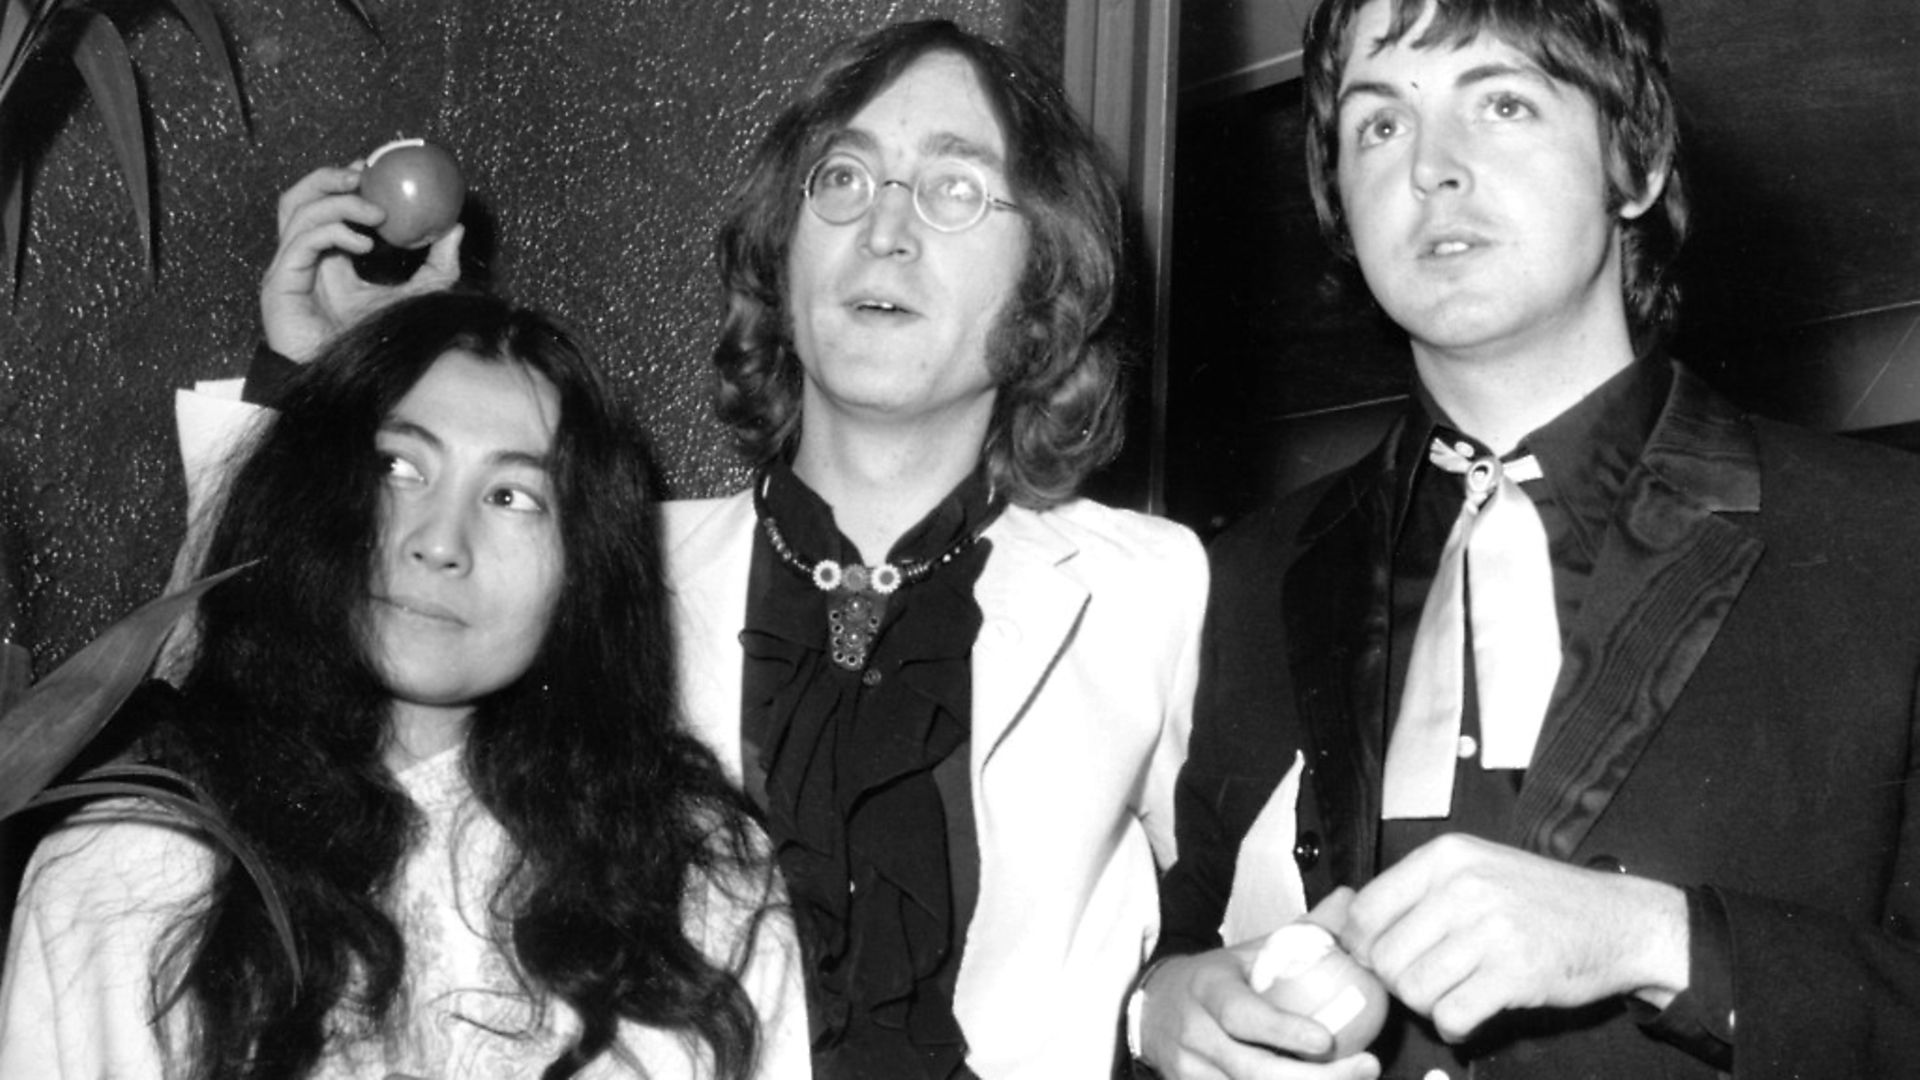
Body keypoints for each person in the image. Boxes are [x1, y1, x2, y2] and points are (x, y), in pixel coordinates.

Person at [166, 18, 1205, 1080]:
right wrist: (337, 384)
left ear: (1046, 276)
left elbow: (1241, 922)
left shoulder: (1155, 593)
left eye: (956, 188)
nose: (885, 229)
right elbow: (255, 715)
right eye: (843, 179)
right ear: (781, 250)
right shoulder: (598, 562)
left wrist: (1163, 999)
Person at [1135, 0, 1920, 1078]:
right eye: (1379, 124)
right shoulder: (1242, 577)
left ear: (1635, 163)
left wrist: (1655, 941)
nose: (1431, 170)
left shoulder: (1892, 541)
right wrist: (1162, 1007)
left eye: (1501, 103)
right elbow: (1169, 932)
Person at [0, 292, 806, 1079]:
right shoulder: (124, 868)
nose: (440, 541)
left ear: (585, 567)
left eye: (511, 497)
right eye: (397, 467)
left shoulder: (704, 885)